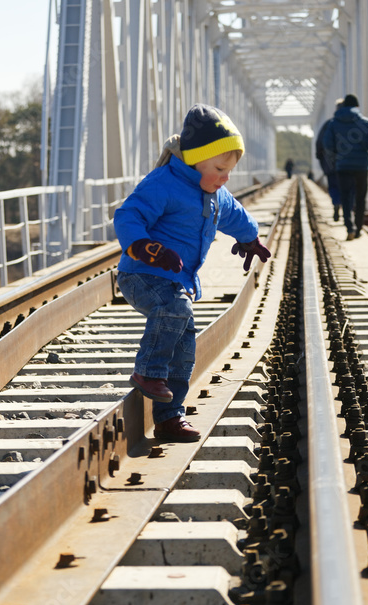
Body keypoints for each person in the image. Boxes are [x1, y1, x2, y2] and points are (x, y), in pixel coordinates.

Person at [113, 104, 270, 442]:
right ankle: (146, 373)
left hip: (177, 280)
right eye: (219, 168)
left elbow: (236, 216)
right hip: (141, 273)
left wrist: (251, 238)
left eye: (229, 171)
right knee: (174, 309)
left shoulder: (216, 194)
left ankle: (170, 417)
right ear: (196, 159)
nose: (226, 177)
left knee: (184, 350)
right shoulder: (164, 183)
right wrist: (142, 246)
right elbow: (128, 214)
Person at [321, 94, 368, 240]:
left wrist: (336, 155)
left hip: (342, 166)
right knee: (360, 198)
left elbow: (327, 144)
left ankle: (349, 227)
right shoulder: (366, 123)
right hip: (361, 167)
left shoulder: (333, 124)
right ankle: (358, 229)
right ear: (357, 106)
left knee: (345, 197)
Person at [315, 99, 343, 221]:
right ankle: (347, 214)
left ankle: (336, 203)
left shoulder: (328, 124)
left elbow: (319, 143)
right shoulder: (353, 123)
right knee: (347, 187)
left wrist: (320, 157)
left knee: (333, 186)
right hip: (346, 164)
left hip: (330, 164)